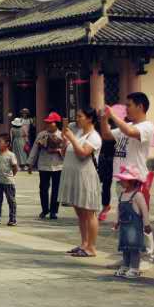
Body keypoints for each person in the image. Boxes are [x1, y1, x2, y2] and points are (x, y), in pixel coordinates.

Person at [60, 108, 102, 257]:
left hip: (86, 177)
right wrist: (65, 143)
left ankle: (91, 247)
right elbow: (66, 153)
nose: (77, 119)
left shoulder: (94, 136)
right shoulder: (78, 133)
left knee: (89, 212)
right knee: (80, 213)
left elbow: (83, 154)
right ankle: (84, 243)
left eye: (80, 116)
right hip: (74, 176)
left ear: (89, 118)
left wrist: (71, 139)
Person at [113, 166, 149, 278]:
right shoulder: (122, 194)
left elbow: (144, 210)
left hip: (134, 227)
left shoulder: (137, 195)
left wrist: (147, 224)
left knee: (134, 248)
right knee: (125, 248)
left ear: (131, 181)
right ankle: (125, 266)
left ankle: (135, 268)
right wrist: (116, 221)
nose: (120, 182)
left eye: (123, 179)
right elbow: (119, 209)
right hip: (124, 226)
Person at [28, 111, 65, 219]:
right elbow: (35, 149)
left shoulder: (62, 135)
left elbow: (67, 150)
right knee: (43, 188)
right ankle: (45, 209)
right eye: (47, 123)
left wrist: (57, 150)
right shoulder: (42, 134)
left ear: (56, 124)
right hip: (44, 165)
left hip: (58, 165)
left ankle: (54, 211)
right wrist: (30, 163)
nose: (48, 125)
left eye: (51, 123)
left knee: (56, 189)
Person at [0, 134, 19, 226]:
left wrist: (11, 176)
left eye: (0, 142)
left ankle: (12, 219)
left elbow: (15, 167)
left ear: (7, 143)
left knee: (11, 200)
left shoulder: (11, 155)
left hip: (8, 182)